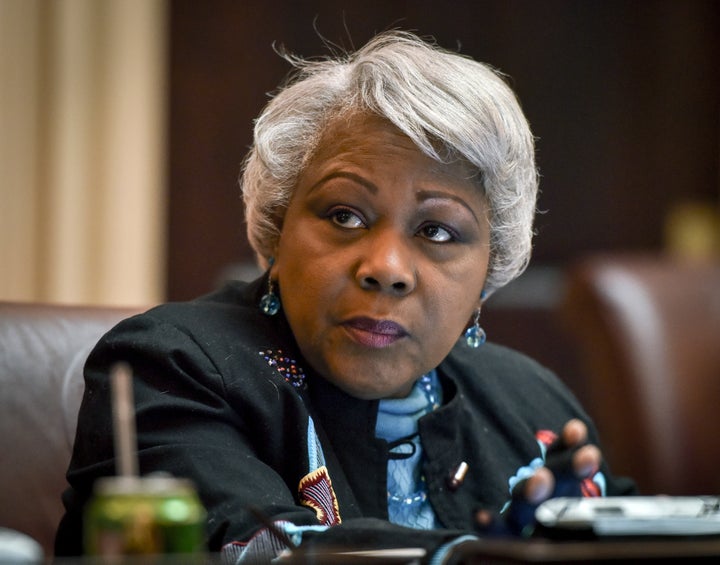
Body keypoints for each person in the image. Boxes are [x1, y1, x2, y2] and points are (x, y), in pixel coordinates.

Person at [55, 31, 635, 562]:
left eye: (437, 231)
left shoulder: (531, 406)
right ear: (277, 231)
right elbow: (250, 548)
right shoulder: (174, 366)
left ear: (489, 270)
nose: (385, 268)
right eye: (345, 215)